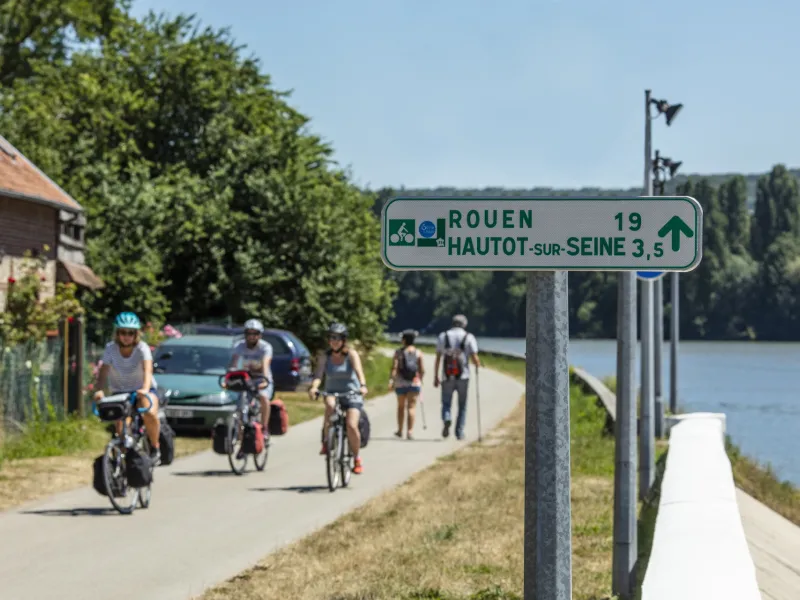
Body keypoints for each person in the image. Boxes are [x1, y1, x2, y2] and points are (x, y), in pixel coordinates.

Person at [93, 311, 161, 464]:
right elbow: (104, 371)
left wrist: (144, 389)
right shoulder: (110, 349)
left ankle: (155, 446)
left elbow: (148, 370)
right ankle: (124, 457)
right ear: (117, 333)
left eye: (131, 333)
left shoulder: (142, 348)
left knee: (149, 412)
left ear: (136, 334)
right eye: (123, 332)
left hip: (142, 389)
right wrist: (99, 389)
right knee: (121, 425)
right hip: (120, 391)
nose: (127, 336)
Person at [308, 322, 369, 474]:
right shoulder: (325, 356)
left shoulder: (351, 354)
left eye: (338, 338)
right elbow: (318, 375)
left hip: (352, 393)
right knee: (329, 406)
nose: (334, 341)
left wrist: (362, 385)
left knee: (351, 425)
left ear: (344, 340)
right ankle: (327, 440)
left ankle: (356, 458)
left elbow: (359, 371)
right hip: (332, 391)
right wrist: (314, 387)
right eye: (331, 337)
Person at [226, 318, 274, 453]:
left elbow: (265, 363)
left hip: (262, 378)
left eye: (255, 334)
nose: (252, 337)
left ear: (260, 335)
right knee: (241, 408)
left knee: (264, 398)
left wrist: (265, 380)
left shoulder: (265, 347)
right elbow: (234, 363)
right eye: (249, 333)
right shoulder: (239, 346)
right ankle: (242, 443)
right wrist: (229, 376)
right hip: (247, 378)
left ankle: (264, 427)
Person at [434, 314, 480, 440]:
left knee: (446, 402)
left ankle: (447, 418)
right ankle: (459, 432)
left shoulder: (443, 336)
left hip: (447, 376)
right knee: (462, 405)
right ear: (464, 324)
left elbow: (438, 358)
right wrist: (478, 365)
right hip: (463, 376)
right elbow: (475, 357)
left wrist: (436, 376)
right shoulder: (468, 337)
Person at [388, 329, 424, 439]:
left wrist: (391, 381)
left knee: (400, 407)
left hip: (400, 383)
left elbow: (395, 368)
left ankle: (399, 430)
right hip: (414, 383)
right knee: (411, 407)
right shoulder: (418, 353)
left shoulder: (398, 352)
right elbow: (422, 370)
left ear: (404, 340)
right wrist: (420, 380)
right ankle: (410, 431)